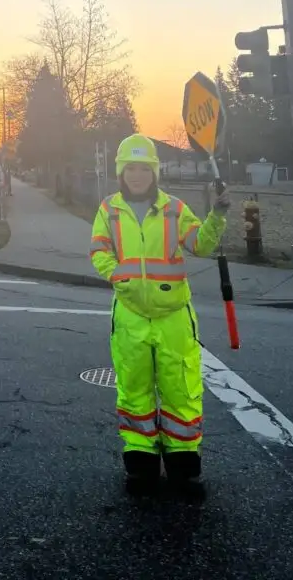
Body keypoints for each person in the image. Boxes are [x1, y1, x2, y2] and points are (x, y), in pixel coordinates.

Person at [90, 134, 230, 488]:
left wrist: (218, 215)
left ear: (155, 172)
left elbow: (201, 244)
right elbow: (99, 251)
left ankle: (184, 466)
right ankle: (141, 463)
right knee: (134, 389)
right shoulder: (109, 209)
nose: (137, 175)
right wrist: (117, 274)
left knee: (180, 390)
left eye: (144, 169)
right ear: (121, 172)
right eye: (130, 169)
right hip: (130, 315)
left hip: (173, 317)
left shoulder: (174, 208)